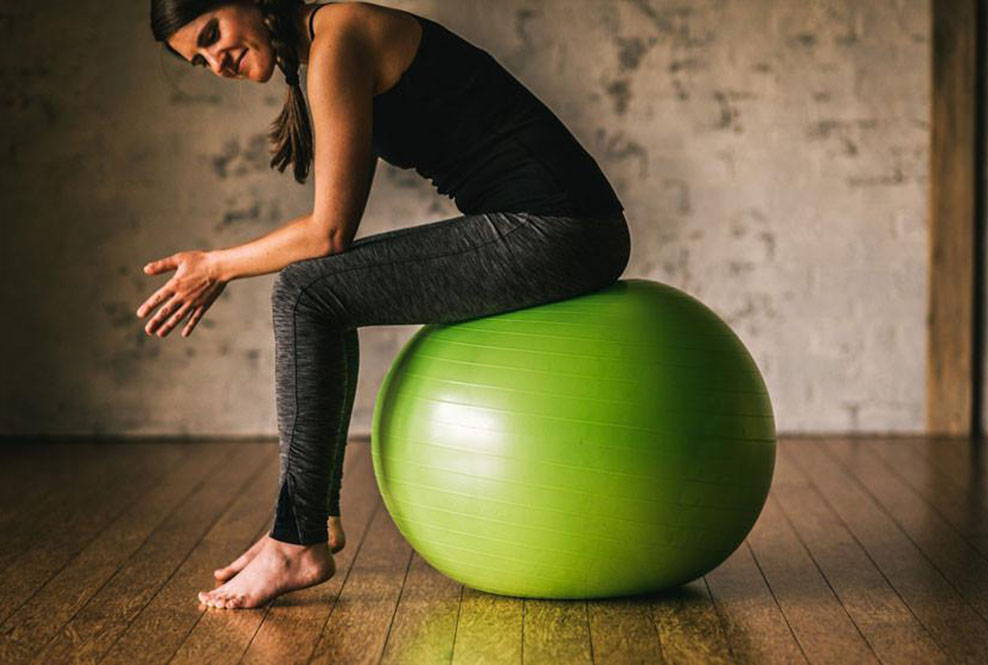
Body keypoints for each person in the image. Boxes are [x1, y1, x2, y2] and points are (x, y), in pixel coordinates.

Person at [139, 0, 630, 610]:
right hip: (562, 227)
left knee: (306, 291)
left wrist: (215, 264)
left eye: (214, 35)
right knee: (311, 289)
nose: (217, 62)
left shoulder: (339, 38)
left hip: (559, 230)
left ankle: (297, 539)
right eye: (199, 60)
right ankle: (306, 523)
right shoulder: (321, 48)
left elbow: (328, 233)